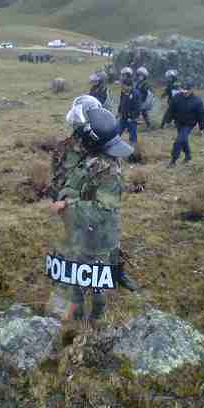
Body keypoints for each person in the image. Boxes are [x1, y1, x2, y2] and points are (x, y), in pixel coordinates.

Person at [48, 95, 137, 322]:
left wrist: (68, 204)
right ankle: (76, 315)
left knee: (97, 278)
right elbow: (61, 180)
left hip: (99, 230)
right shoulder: (72, 150)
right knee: (75, 270)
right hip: (78, 226)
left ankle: (96, 317)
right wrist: (63, 198)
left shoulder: (108, 166)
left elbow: (103, 209)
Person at [167, 82, 204, 166]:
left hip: (189, 124)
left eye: (187, 91)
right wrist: (168, 120)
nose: (185, 93)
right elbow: (170, 110)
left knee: (178, 141)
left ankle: (173, 160)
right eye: (183, 91)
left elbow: (201, 115)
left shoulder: (197, 101)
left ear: (191, 90)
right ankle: (188, 156)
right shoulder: (177, 97)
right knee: (184, 140)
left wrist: (201, 128)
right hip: (178, 122)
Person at [118, 67, 141, 144]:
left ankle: (134, 148)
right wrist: (119, 112)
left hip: (131, 119)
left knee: (132, 134)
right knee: (117, 132)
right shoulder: (123, 92)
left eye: (124, 86)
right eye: (122, 85)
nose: (123, 87)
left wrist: (132, 117)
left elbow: (137, 108)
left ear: (129, 86)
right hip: (123, 117)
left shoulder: (135, 94)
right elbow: (121, 102)